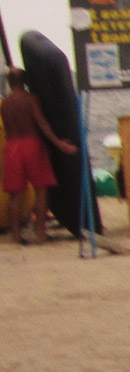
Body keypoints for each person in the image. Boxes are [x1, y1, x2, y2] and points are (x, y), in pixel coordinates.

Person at [1, 67, 77, 245]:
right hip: (32, 144)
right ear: (25, 82)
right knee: (41, 190)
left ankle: (15, 236)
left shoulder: (5, 103)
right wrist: (59, 143)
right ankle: (40, 233)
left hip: (12, 147)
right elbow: (42, 124)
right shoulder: (30, 99)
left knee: (15, 195)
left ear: (10, 82)